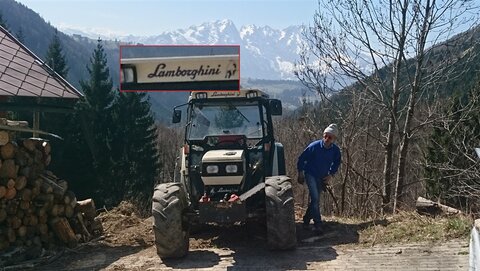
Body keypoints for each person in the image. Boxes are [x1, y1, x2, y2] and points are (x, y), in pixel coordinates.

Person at [297, 123, 341, 235]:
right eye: (325, 136)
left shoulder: (335, 151)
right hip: (310, 174)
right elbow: (302, 158)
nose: (326, 139)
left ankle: (306, 219)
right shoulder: (314, 146)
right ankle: (318, 224)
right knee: (316, 199)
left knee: (314, 201)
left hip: (322, 177)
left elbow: (336, 163)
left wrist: (331, 174)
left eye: (330, 137)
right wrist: (300, 172)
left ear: (334, 139)